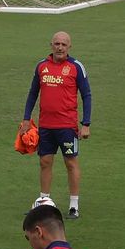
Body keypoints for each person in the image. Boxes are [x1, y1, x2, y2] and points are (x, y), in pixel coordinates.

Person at [20, 32, 92, 219]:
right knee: (45, 162)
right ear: (51, 45)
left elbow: (86, 95)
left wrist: (86, 123)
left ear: (70, 47)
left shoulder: (76, 67)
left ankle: (74, 206)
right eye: (57, 44)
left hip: (67, 126)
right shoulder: (41, 66)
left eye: (63, 44)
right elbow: (32, 93)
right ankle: (44, 201)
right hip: (46, 125)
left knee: (70, 162)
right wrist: (26, 119)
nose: (60, 47)